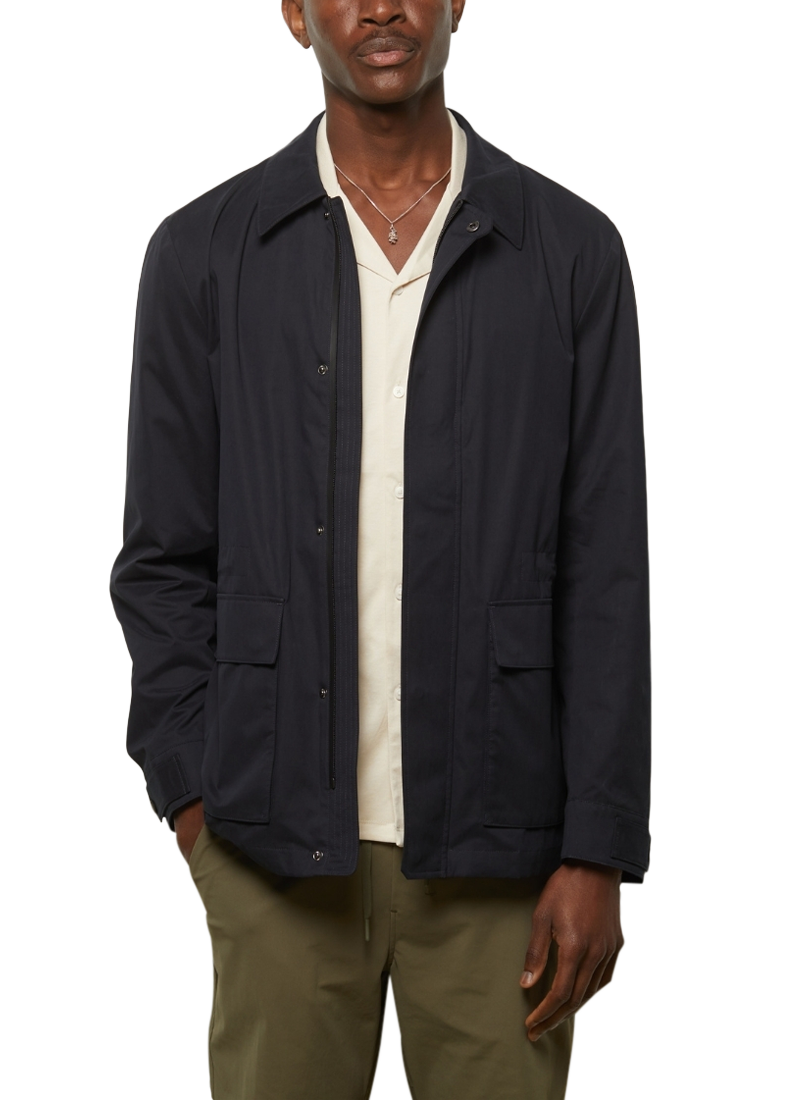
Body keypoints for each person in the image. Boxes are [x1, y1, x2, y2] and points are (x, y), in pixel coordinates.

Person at [109, 2, 652, 1097]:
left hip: (505, 848)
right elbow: (163, 558)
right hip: (269, 851)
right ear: (294, 13)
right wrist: (194, 799)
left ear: (458, 4)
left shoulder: (569, 251)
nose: (381, 8)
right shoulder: (204, 252)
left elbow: (606, 570)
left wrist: (597, 846)